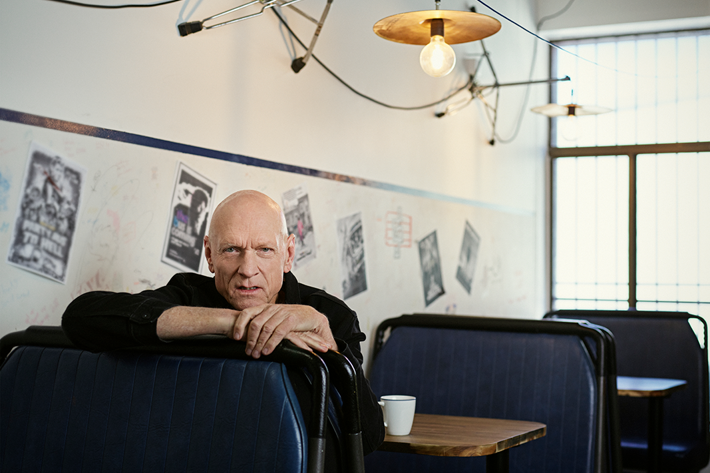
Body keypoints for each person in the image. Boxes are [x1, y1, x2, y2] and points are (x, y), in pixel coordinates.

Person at [62, 189, 385, 470]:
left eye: (264, 250)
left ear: (288, 254)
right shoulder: (188, 296)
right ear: (209, 254)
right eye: (231, 249)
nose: (247, 269)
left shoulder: (328, 315)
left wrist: (332, 352)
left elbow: (368, 438)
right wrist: (232, 323)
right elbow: (81, 317)